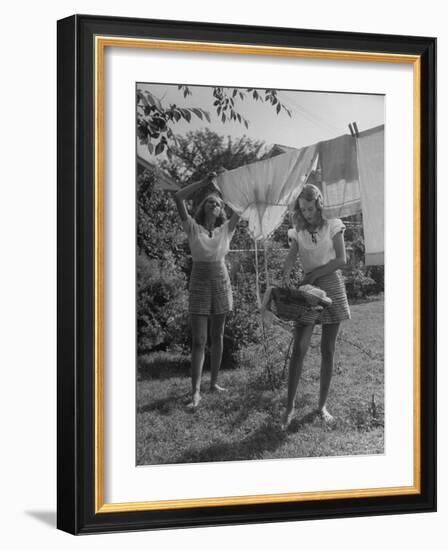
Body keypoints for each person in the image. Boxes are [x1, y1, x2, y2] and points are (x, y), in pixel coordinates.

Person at [282, 183, 351, 429]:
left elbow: (342, 259)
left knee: (327, 350)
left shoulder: (333, 223)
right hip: (308, 291)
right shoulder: (299, 227)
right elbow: (292, 256)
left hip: (330, 285)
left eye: (310, 208)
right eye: (302, 208)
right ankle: (289, 407)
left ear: (319, 204)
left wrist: (315, 274)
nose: (307, 213)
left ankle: (321, 406)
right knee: (299, 348)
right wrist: (286, 273)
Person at [174, 173, 241, 408]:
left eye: (219, 203)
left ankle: (213, 383)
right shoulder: (192, 228)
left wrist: (225, 186)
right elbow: (178, 196)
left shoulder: (225, 230)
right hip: (200, 281)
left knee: (218, 335)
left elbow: (241, 207)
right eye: (211, 202)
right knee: (199, 340)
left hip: (221, 280)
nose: (215, 204)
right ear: (204, 207)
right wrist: (204, 183)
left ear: (222, 209)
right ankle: (195, 392)